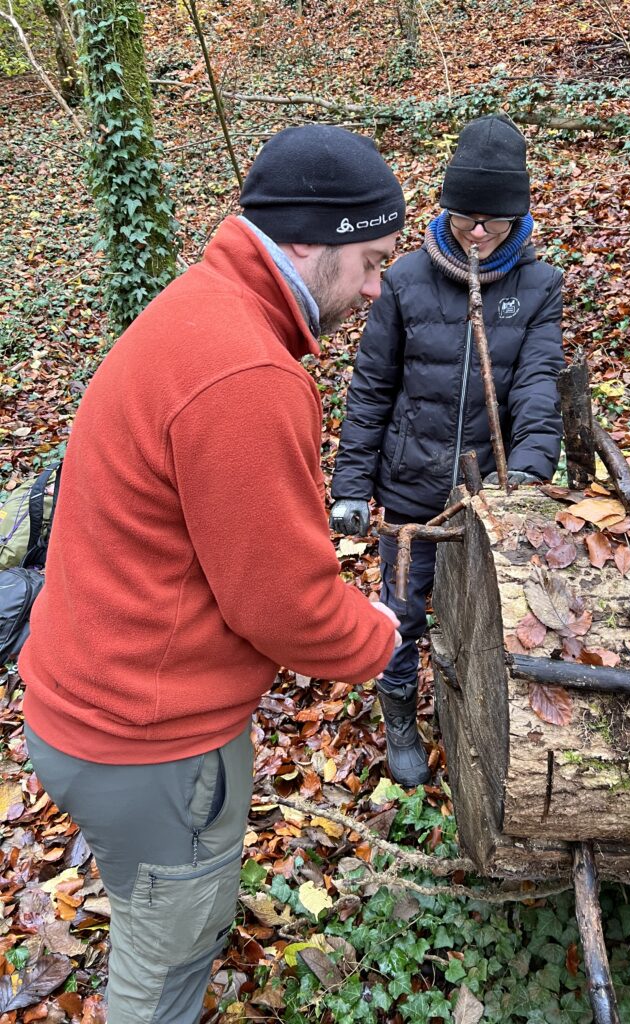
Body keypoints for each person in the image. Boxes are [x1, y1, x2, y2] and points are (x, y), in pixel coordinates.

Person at [19, 125, 406, 1024]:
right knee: (167, 964)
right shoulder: (245, 374)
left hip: (82, 702)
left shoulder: (201, 303)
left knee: (154, 909)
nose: (379, 287)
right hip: (144, 743)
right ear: (312, 237)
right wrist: (377, 636)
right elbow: (284, 605)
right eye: (374, 260)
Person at [330, 114, 564, 788]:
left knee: (490, 621)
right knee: (400, 614)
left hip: (488, 494)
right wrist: (352, 484)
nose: (479, 231)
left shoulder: (538, 287)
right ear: (446, 208)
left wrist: (529, 466)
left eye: (494, 218)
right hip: (408, 490)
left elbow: (538, 382)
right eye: (466, 216)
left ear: (517, 215)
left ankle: (483, 722)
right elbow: (372, 385)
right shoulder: (403, 281)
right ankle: (400, 715)